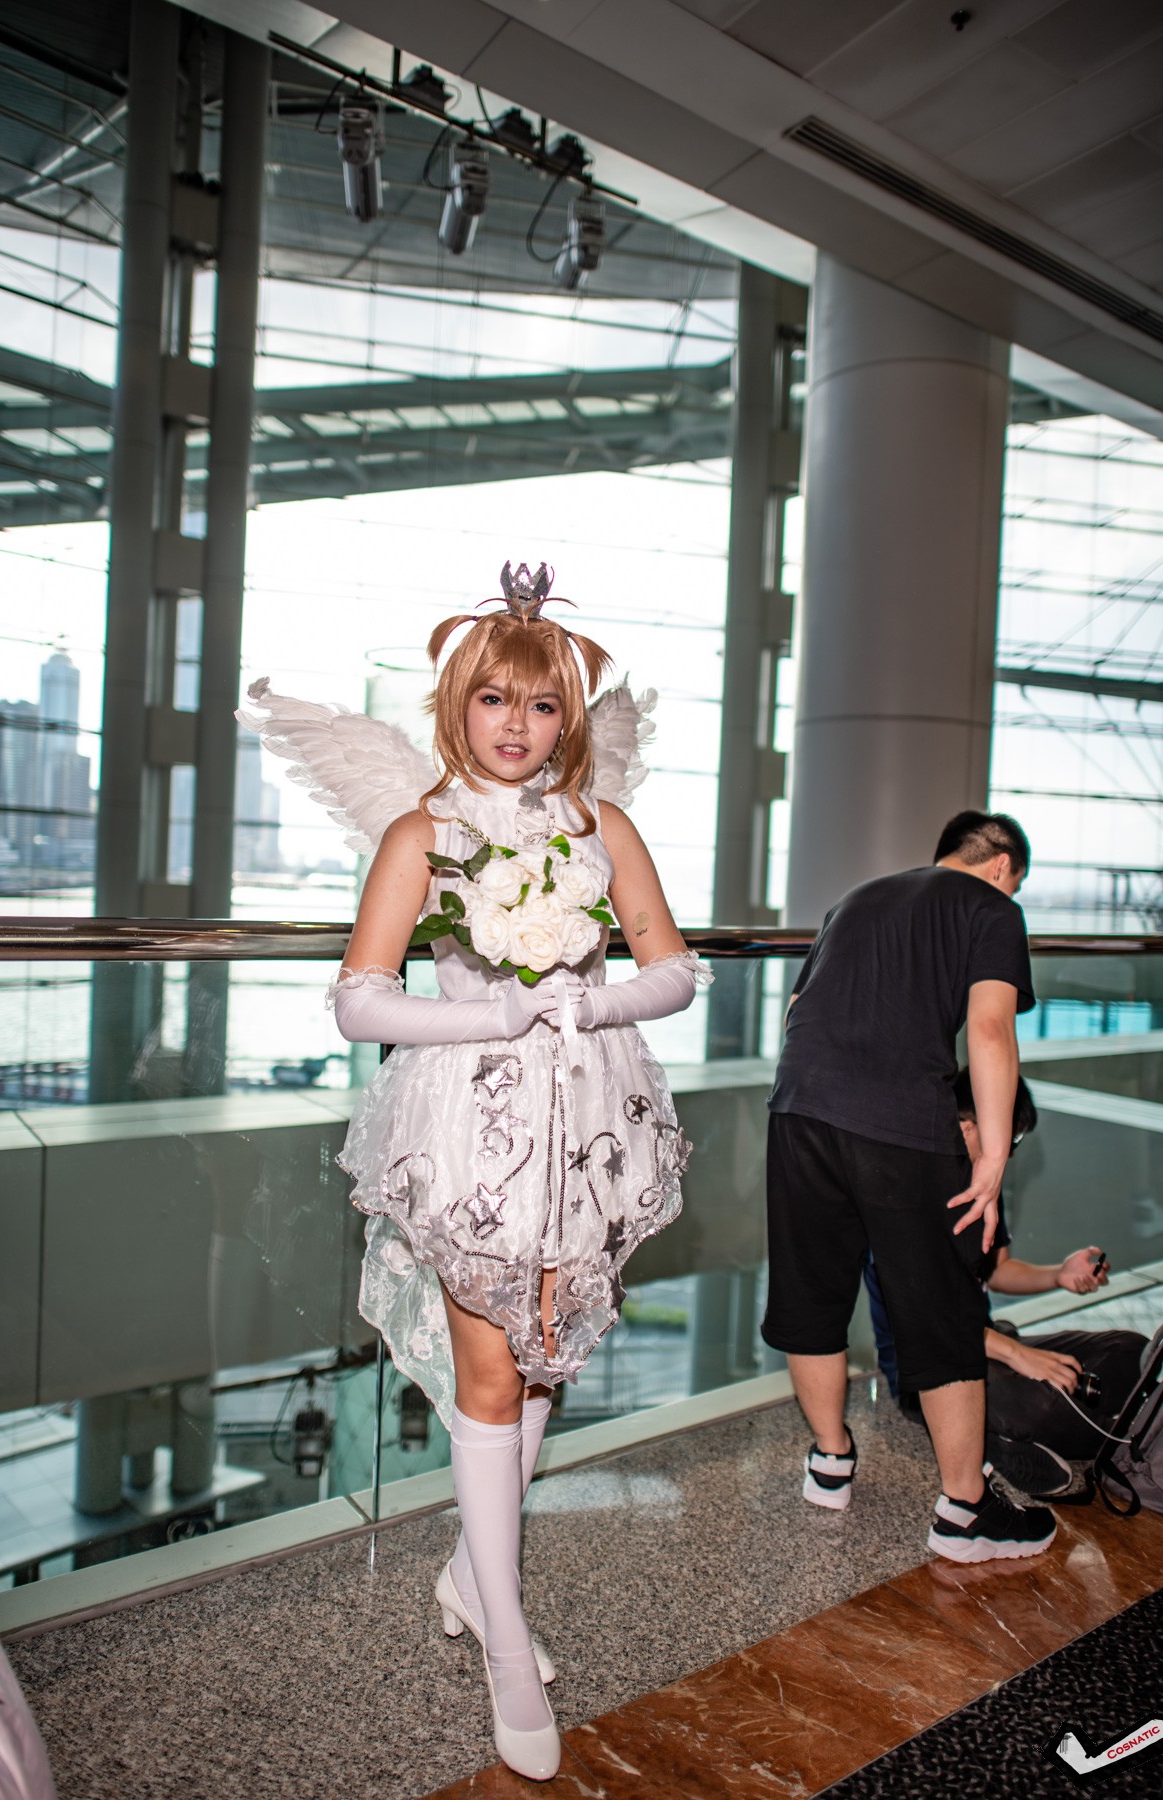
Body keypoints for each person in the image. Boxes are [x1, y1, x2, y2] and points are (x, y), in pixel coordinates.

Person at [242, 563, 708, 1783]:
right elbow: (360, 1000)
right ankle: (507, 1638)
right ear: (459, 705)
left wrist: (590, 999)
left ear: (566, 720)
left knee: (543, 1357)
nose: (518, 725)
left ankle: (471, 1571)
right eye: (496, 699)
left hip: (589, 1124)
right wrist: (493, 1015)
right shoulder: (423, 832)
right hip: (467, 1131)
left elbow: (673, 970)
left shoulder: (601, 827)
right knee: (492, 1376)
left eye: (543, 706)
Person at [761, 809, 1059, 1563]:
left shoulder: (857, 898)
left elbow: (796, 1010)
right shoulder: (994, 908)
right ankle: (965, 1512)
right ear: (1002, 866)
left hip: (799, 1106)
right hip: (901, 1123)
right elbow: (989, 1030)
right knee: (940, 1308)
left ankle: (830, 1461)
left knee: (810, 1293)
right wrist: (992, 1157)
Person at [867, 1072, 1146, 1496]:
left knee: (1129, 1349)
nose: (1010, 1153)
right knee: (1045, 1404)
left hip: (988, 1341)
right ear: (965, 1127)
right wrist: (1020, 1356)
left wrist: (1058, 1274)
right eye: (1009, 1139)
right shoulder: (905, 1198)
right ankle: (993, 1443)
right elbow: (930, 1319)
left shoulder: (981, 1184)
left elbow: (997, 1271)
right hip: (930, 1367)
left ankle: (1014, 1432)